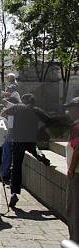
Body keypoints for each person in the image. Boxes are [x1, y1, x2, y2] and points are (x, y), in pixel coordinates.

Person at [2, 93, 51, 208]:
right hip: (31, 139)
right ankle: (41, 156)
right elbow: (49, 120)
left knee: (16, 167)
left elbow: (4, 113)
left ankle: (14, 193)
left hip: (18, 140)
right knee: (34, 149)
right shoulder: (36, 110)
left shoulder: (17, 107)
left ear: (23, 101)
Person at [64, 97, 79, 242]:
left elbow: (77, 148)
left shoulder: (76, 126)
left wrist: (71, 169)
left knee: (73, 208)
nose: (69, 111)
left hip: (77, 173)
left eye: (71, 108)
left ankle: (74, 239)